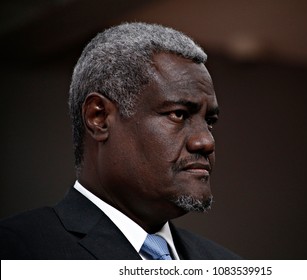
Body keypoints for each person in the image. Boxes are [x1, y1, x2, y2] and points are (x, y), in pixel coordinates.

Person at [0, 22, 241, 260]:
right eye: (178, 114)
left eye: (209, 121)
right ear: (99, 118)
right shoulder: (19, 252)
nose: (206, 142)